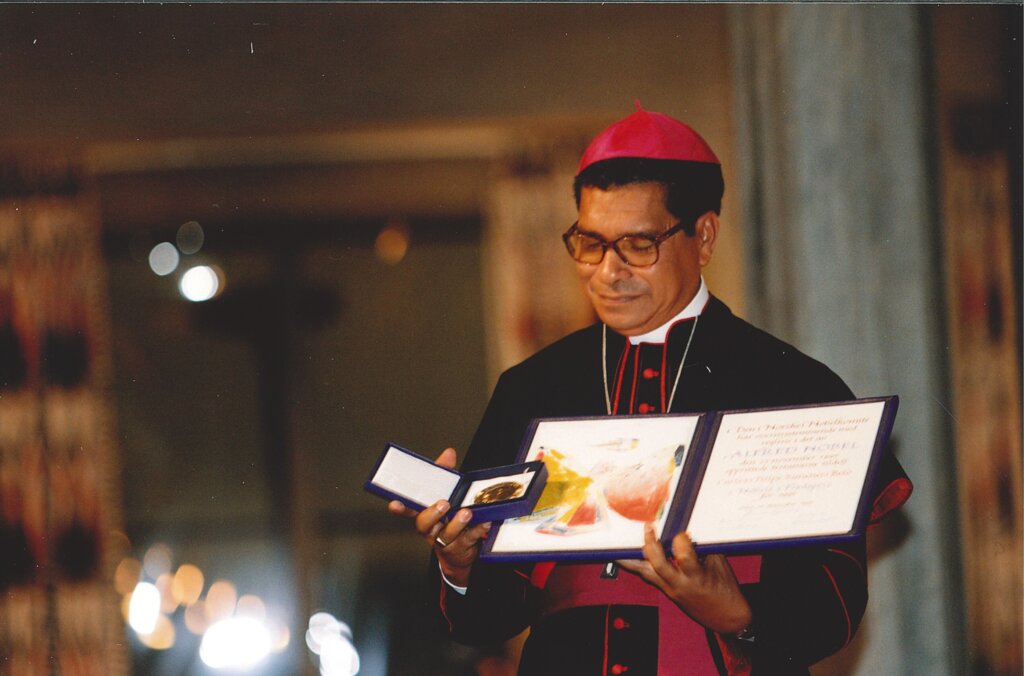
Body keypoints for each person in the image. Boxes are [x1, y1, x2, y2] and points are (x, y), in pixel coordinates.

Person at [389, 103, 912, 675]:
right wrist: (458, 562)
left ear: (704, 236)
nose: (608, 272)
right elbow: (486, 621)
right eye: (590, 243)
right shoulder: (532, 388)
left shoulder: (793, 383)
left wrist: (735, 608)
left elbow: (835, 605)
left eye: (638, 245)